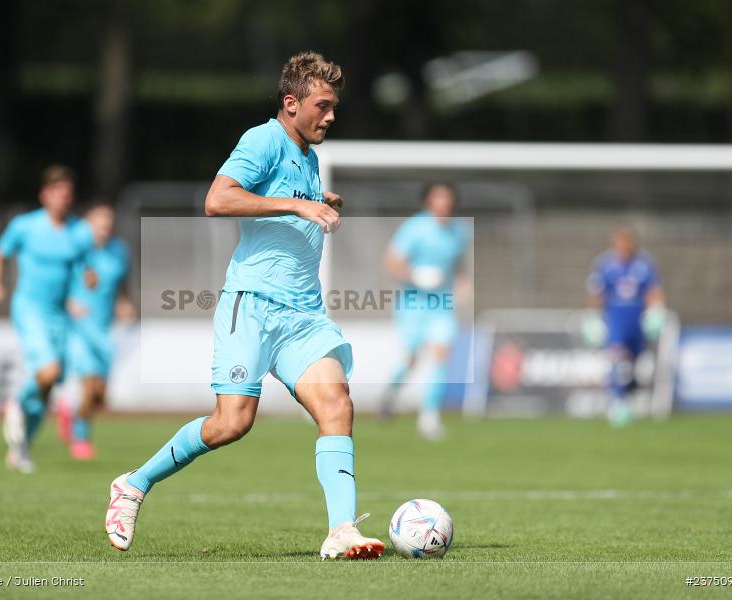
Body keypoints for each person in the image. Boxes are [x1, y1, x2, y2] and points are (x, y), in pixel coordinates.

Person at [104, 52, 384, 560]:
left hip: (301, 316)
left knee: (336, 404)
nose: (331, 116)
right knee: (232, 422)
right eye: (323, 106)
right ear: (291, 102)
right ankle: (133, 484)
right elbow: (218, 199)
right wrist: (299, 203)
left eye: (334, 107)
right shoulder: (263, 140)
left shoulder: (307, 155)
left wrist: (317, 197)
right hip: (252, 306)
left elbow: (280, 200)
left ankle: (341, 528)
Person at [0, 165, 93, 473]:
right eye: (57, 192)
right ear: (44, 195)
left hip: (60, 315)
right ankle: (16, 403)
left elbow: (82, 268)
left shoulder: (79, 232)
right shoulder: (25, 226)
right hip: (29, 308)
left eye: (67, 194)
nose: (63, 199)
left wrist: (86, 283)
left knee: (47, 390)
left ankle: (21, 448)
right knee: (47, 373)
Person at [381, 183, 472, 440]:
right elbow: (391, 262)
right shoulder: (414, 228)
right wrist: (416, 275)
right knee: (411, 359)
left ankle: (429, 418)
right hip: (412, 303)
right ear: (429, 202)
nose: (443, 204)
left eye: (447, 199)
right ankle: (391, 393)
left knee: (442, 354)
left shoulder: (459, 231)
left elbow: (458, 262)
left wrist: (463, 282)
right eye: (438, 199)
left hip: (441, 304)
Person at [58, 201, 135, 460]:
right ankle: (81, 438)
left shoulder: (118, 251)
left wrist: (124, 303)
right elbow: (56, 280)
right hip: (79, 327)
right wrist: (67, 300)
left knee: (101, 395)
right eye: (99, 220)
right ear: (87, 224)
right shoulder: (76, 251)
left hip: (104, 328)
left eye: (108, 221)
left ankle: (68, 409)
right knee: (89, 385)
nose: (105, 226)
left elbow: (122, 283)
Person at [584, 226, 666, 427]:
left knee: (636, 364)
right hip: (616, 317)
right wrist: (592, 317)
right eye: (620, 241)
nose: (624, 246)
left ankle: (627, 395)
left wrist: (656, 311)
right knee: (618, 359)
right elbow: (597, 294)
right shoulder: (604, 264)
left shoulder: (645, 264)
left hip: (637, 317)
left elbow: (653, 290)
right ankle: (618, 403)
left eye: (627, 241)